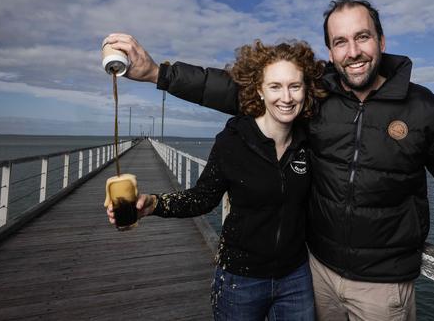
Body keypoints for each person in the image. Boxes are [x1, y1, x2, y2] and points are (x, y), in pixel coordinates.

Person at [103, 0, 434, 321]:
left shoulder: (425, 109)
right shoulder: (317, 95)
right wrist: (157, 72)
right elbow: (238, 89)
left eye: (362, 37)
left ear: (381, 40)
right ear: (330, 50)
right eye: (340, 42)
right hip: (315, 273)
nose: (353, 52)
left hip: (383, 284)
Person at [105, 40, 326, 320]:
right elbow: (202, 198)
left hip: (295, 278)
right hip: (240, 280)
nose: (286, 97)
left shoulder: (308, 142)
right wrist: (153, 204)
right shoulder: (233, 142)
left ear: (305, 90)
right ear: (259, 89)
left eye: (295, 86)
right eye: (275, 86)